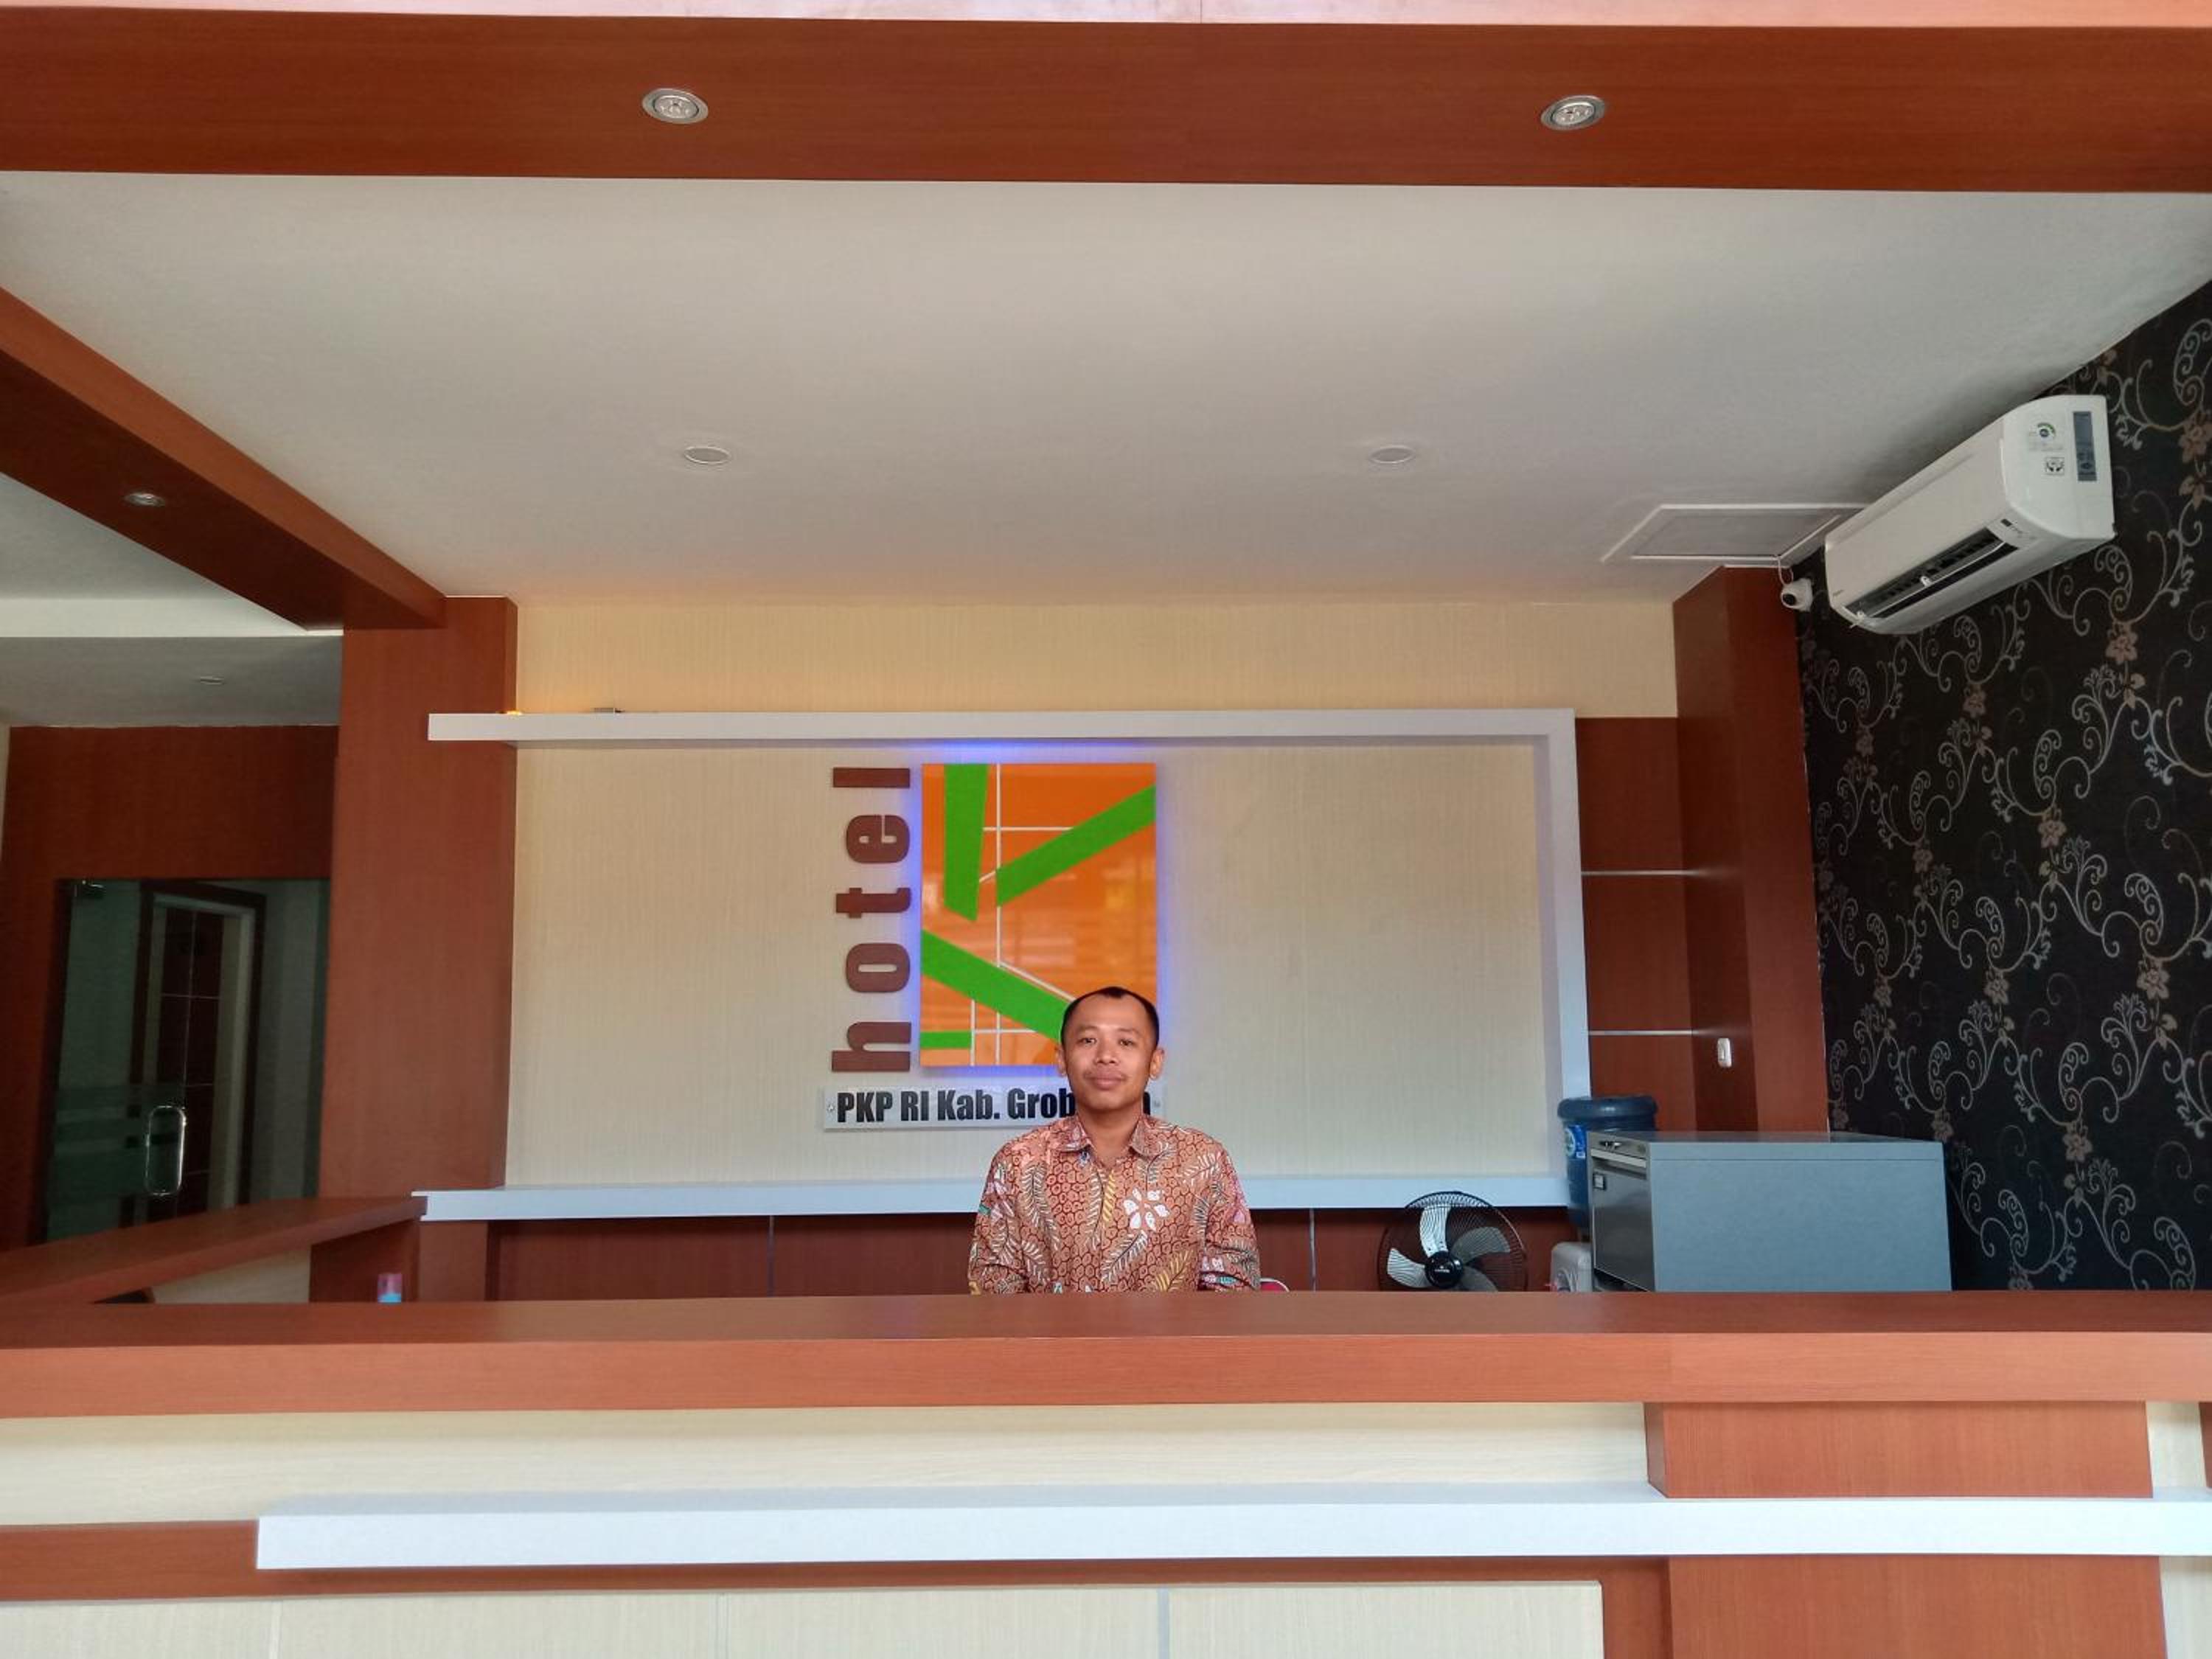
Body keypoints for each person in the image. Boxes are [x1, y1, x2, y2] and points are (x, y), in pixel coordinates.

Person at [967, 985, 1260, 1293]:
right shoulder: (1018, 1161)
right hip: (1049, 1329)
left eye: (1126, 1042)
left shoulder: (1203, 1160)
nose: (1106, 1056)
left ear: (1155, 1062)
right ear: (1062, 1058)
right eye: (1088, 1040)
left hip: (1170, 1329)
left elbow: (1234, 1290)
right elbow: (993, 1292)